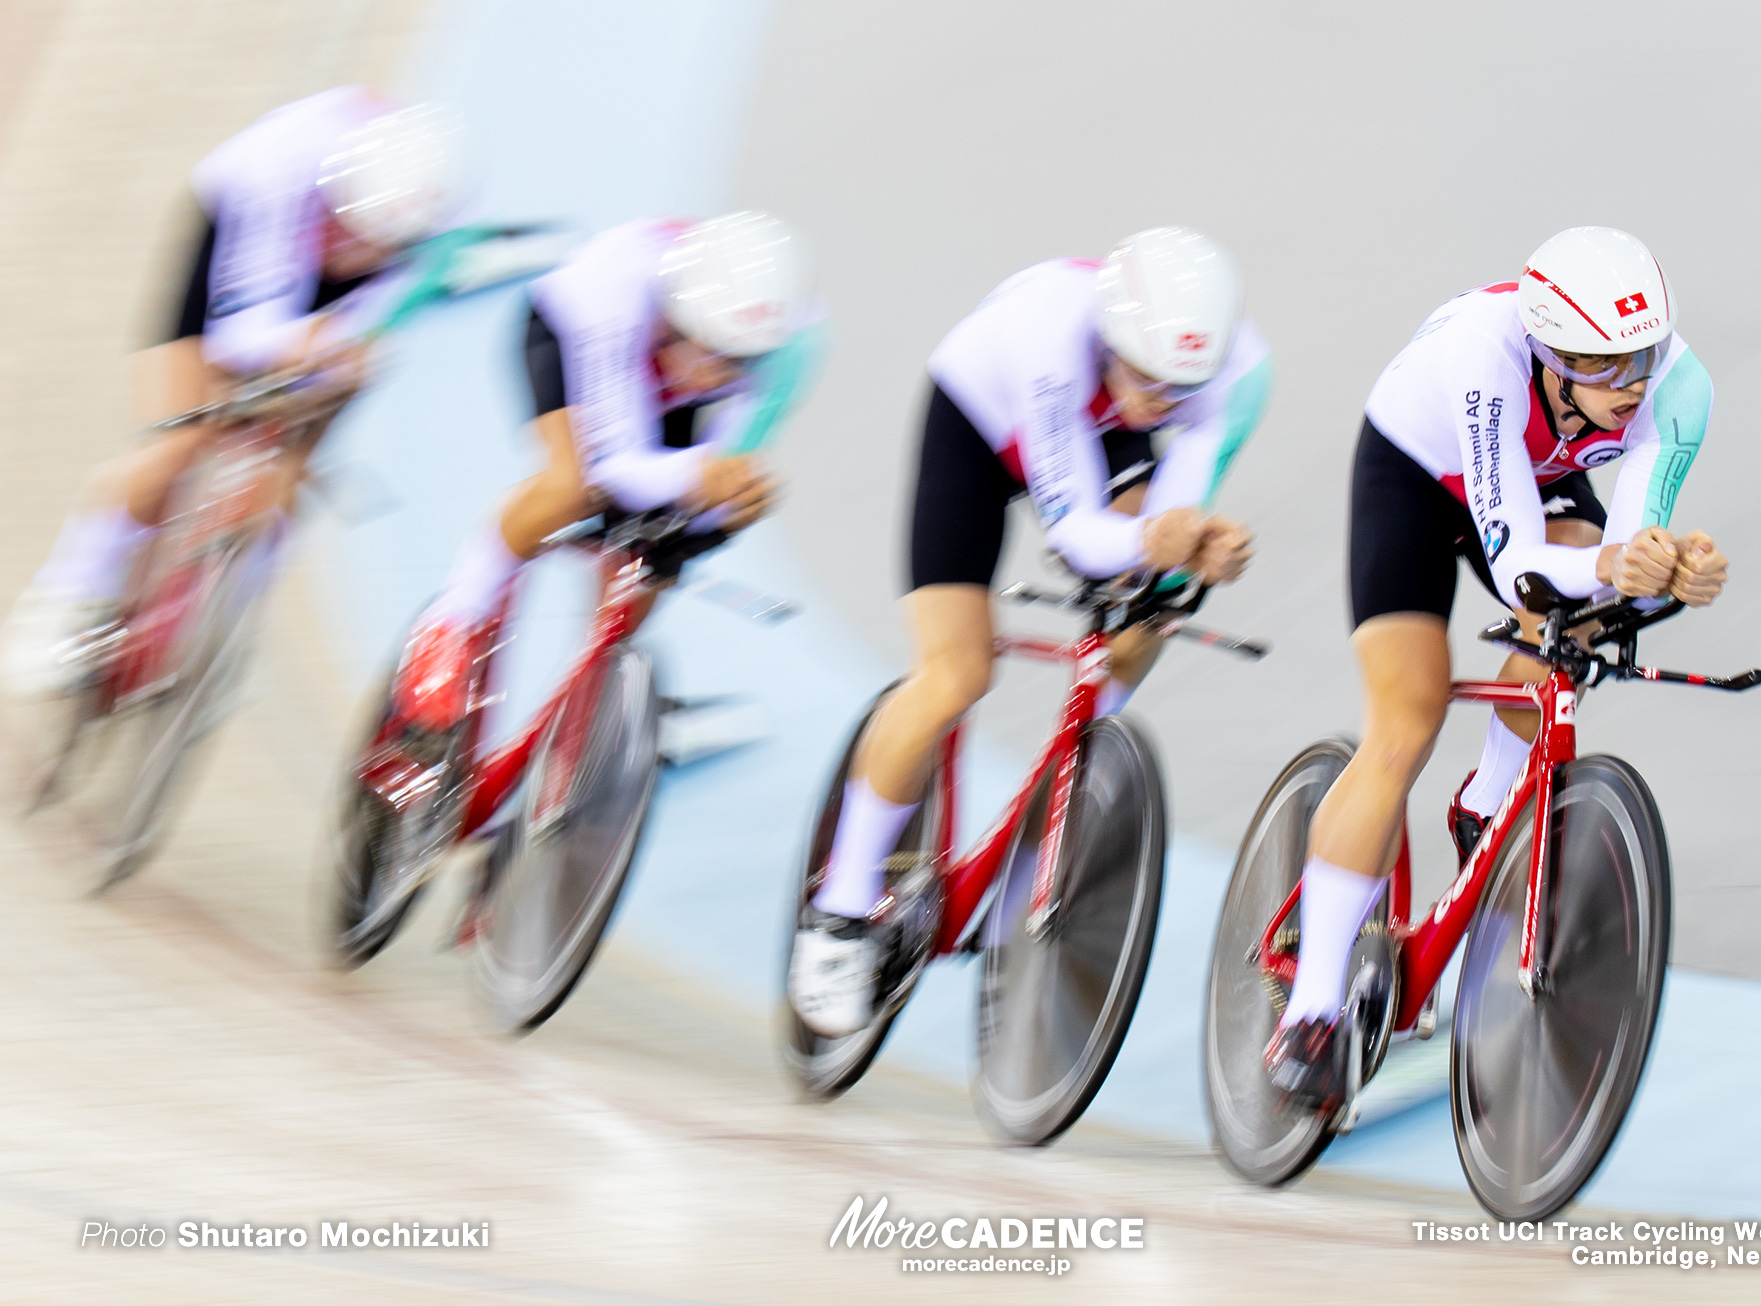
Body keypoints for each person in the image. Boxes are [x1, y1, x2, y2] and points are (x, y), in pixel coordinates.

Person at [1265, 226, 1729, 1107]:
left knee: (1590, 609)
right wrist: (1615, 567)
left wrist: (1673, 568)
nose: (1628, 384)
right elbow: (1516, 555)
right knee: (1403, 724)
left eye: (1641, 356)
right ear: (1549, 353)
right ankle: (1315, 1005)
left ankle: (1491, 798)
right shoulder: (1483, 357)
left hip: (1535, 485)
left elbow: (1626, 553)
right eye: (1599, 365)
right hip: (1416, 475)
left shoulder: (1680, 388)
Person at [788, 227, 1272, 1038]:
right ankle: (838, 909)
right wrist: (1156, 539)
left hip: (1102, 439)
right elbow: (1080, 534)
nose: (1162, 399)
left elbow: (1173, 520)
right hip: (984, 423)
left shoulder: (1237, 374)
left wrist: (1196, 550)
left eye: (1180, 387)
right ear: (1111, 340)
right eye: (1146, 378)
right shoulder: (1050, 333)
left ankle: (1076, 759)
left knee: (1156, 596)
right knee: (955, 674)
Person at [5, 87, 463, 695]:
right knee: (182, 438)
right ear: (335, 200)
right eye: (354, 234)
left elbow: (379, 318)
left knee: (290, 474)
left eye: (382, 245)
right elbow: (240, 336)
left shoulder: (422, 217)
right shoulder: (275, 172)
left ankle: (223, 637)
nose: (361, 254)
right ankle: (67, 593)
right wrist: (306, 345)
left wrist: (340, 357)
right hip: (243, 242)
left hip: (337, 277)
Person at [389, 210, 824, 735]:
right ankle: (450, 623)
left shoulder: (795, 347)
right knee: (572, 488)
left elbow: (728, 465)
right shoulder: (614, 289)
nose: (713, 371)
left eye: (737, 363)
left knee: (664, 544)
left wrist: (719, 513)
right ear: (676, 310)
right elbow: (615, 469)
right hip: (578, 339)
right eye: (705, 348)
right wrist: (697, 476)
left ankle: (589, 695)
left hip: (661, 376)